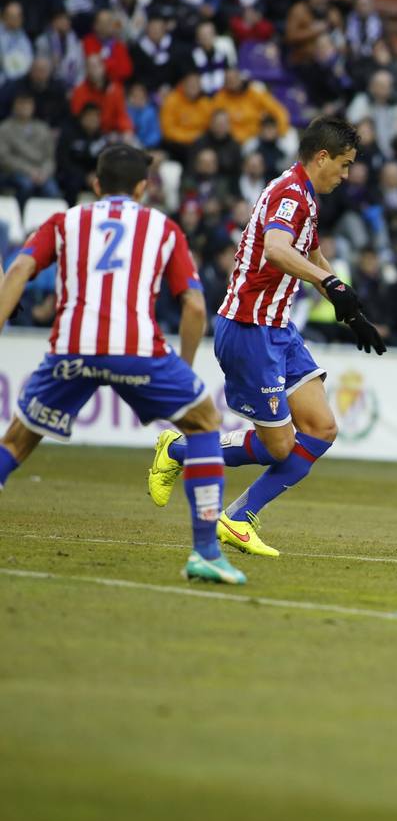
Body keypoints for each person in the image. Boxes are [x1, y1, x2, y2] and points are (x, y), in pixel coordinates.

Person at [0, 146, 244, 585]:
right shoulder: (163, 229)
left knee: (16, 442)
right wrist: (184, 369)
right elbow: (192, 307)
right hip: (138, 351)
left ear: (96, 184)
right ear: (142, 187)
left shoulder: (66, 221)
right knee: (205, 423)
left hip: (72, 351)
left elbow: (18, 269)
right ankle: (206, 551)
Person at [146, 117, 387, 559]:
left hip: (278, 329)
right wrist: (329, 285)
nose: (347, 174)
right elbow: (277, 248)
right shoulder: (290, 194)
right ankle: (178, 449)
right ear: (322, 158)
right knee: (279, 446)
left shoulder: (305, 197)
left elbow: (310, 252)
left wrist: (350, 311)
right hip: (248, 329)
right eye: (345, 164)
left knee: (321, 429)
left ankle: (238, 519)